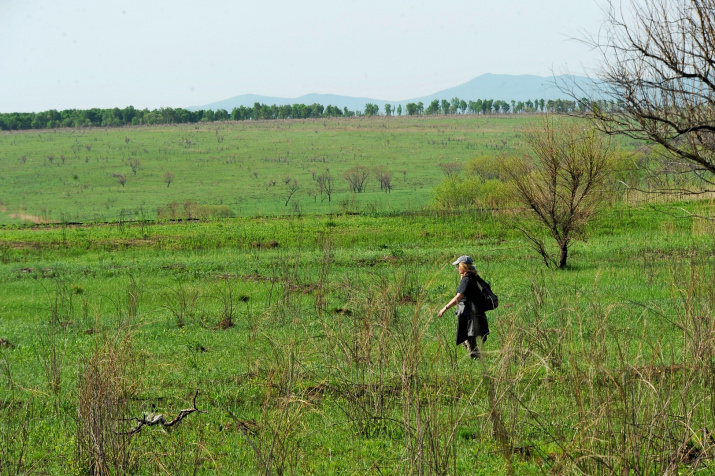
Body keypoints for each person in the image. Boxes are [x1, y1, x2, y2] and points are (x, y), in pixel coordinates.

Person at [438, 255, 490, 359]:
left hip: (470, 314)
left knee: (468, 339)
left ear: (463, 266)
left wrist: (445, 308)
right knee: (468, 339)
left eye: (458, 266)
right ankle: (478, 358)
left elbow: (459, 297)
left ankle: (477, 360)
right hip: (476, 312)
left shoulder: (467, 280)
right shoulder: (473, 277)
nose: (457, 268)